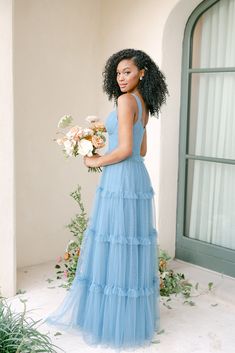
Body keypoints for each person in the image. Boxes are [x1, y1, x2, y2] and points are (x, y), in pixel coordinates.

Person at [45, 48, 168, 351]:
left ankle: (110, 321)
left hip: (119, 180)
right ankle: (128, 318)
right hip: (137, 180)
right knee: (128, 244)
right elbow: (141, 151)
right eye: (118, 73)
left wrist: (93, 161)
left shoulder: (126, 101)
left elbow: (127, 150)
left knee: (114, 242)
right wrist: (104, 137)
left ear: (142, 73)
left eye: (128, 71)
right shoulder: (145, 104)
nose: (122, 78)